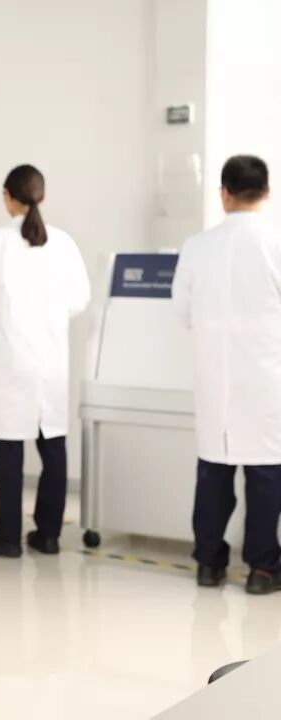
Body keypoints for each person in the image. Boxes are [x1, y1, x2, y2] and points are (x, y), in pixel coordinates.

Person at [0, 165, 90, 558]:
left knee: (9, 448)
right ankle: (48, 535)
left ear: (8, 197)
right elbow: (79, 299)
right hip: (51, 361)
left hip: (11, 359)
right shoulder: (63, 243)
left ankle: (8, 536)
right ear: (41, 197)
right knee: (53, 445)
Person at [172, 154, 281, 595]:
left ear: (224, 194)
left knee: (214, 471)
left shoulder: (197, 247)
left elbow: (182, 312)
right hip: (266, 377)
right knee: (265, 475)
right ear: (267, 193)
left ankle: (209, 564)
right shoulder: (275, 243)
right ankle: (263, 569)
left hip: (215, 376)